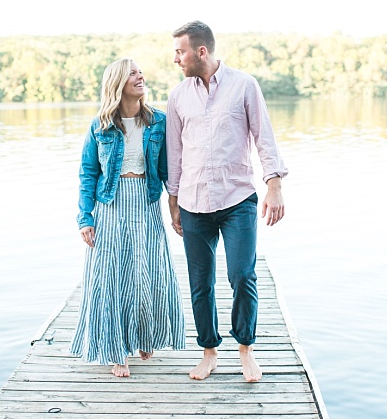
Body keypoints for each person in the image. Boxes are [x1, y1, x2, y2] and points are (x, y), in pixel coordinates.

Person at [165, 21, 288, 383]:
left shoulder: (244, 85)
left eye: (180, 51)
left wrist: (274, 185)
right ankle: (209, 352)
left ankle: (246, 351)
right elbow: (175, 153)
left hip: (238, 200)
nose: (176, 59)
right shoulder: (178, 96)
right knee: (200, 282)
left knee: (242, 275)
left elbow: (264, 137)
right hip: (192, 202)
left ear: (201, 51)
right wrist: (172, 200)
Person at [72, 58, 186, 377]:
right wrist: (85, 218)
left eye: (140, 72)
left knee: (147, 270)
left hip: (146, 203)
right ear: (118, 83)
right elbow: (87, 174)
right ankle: (115, 350)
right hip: (110, 205)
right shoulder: (100, 126)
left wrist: (179, 210)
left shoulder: (159, 122)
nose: (141, 77)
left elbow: (169, 171)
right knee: (111, 275)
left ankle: (143, 337)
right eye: (133, 73)